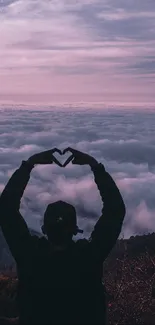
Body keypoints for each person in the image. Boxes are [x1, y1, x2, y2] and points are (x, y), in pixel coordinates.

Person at [0, 147, 126, 325]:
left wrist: (28, 165)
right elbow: (115, 210)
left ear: (44, 229)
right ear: (75, 229)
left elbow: (6, 209)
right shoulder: (89, 257)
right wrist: (95, 166)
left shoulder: (29, 256)